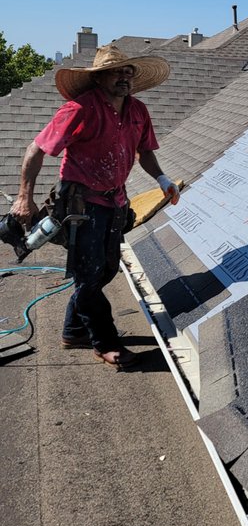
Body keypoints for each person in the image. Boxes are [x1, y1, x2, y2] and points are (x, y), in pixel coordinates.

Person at [10, 43, 180, 369]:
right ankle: (105, 343)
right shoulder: (80, 109)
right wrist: (23, 197)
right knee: (88, 278)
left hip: (116, 201)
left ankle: (74, 331)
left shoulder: (138, 112)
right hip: (80, 204)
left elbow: (144, 152)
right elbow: (36, 150)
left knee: (106, 270)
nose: (124, 77)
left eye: (128, 71)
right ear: (99, 77)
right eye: (116, 71)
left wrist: (162, 179)